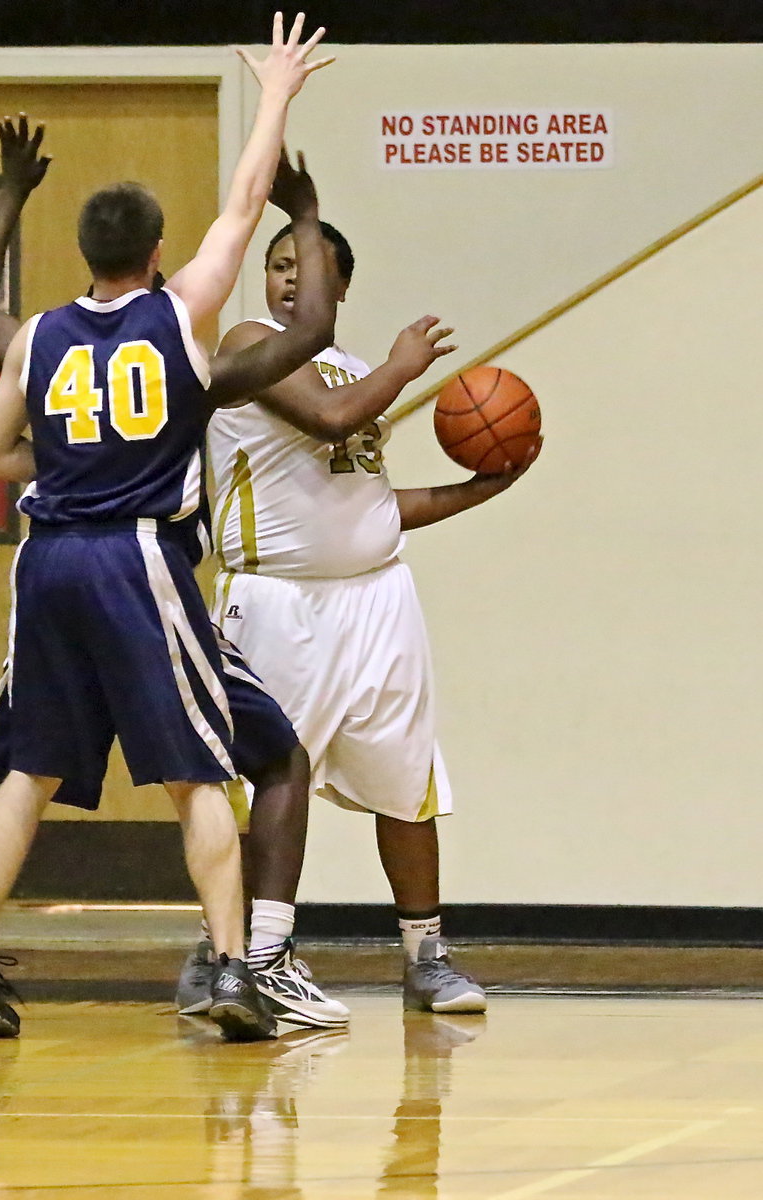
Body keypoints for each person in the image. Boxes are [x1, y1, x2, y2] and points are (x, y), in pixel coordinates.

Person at [0, 16, 331, 1044]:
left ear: (83, 253)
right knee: (198, 765)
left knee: (31, 765)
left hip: (46, 556)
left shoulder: (38, 338)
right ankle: (234, 967)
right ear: (155, 254)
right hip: (136, 557)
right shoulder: (181, 311)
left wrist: (64, 468)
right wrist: (276, 90)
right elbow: (244, 204)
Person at [177, 218, 538, 1016]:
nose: (290, 281)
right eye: (277, 266)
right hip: (275, 600)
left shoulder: (345, 370)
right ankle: (230, 956)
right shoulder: (250, 341)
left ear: (340, 288)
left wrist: (481, 489)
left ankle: (425, 956)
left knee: (406, 781)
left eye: (306, 268)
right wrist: (404, 368)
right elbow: (332, 419)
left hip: (377, 597)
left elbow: (371, 506)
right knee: (262, 784)